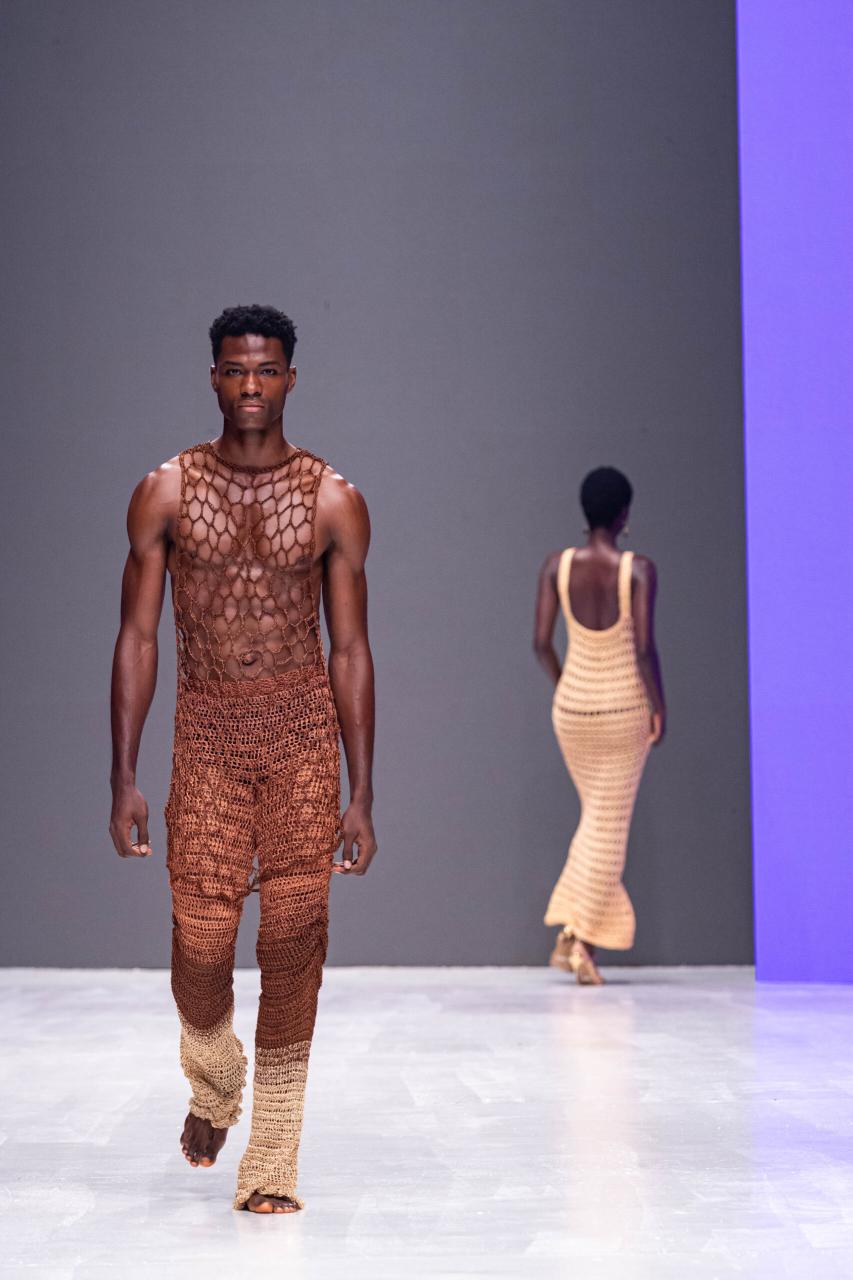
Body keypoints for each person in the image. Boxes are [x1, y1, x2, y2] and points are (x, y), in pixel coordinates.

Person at [109, 304, 377, 1213]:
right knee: (199, 949)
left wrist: (362, 791)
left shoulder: (333, 499)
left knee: (295, 946)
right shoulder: (166, 492)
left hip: (301, 738)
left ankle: (270, 1161)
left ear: (291, 378)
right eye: (235, 370)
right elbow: (137, 636)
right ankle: (216, 1078)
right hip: (207, 739)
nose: (251, 386)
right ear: (214, 378)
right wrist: (123, 775)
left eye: (266, 370)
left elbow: (351, 649)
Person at [533, 466, 665, 985]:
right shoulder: (638, 570)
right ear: (624, 513)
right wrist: (659, 705)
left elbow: (541, 642)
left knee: (597, 816)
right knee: (609, 824)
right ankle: (580, 940)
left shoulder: (557, 566)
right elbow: (644, 648)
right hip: (623, 708)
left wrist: (567, 683)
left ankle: (574, 933)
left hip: (573, 709)